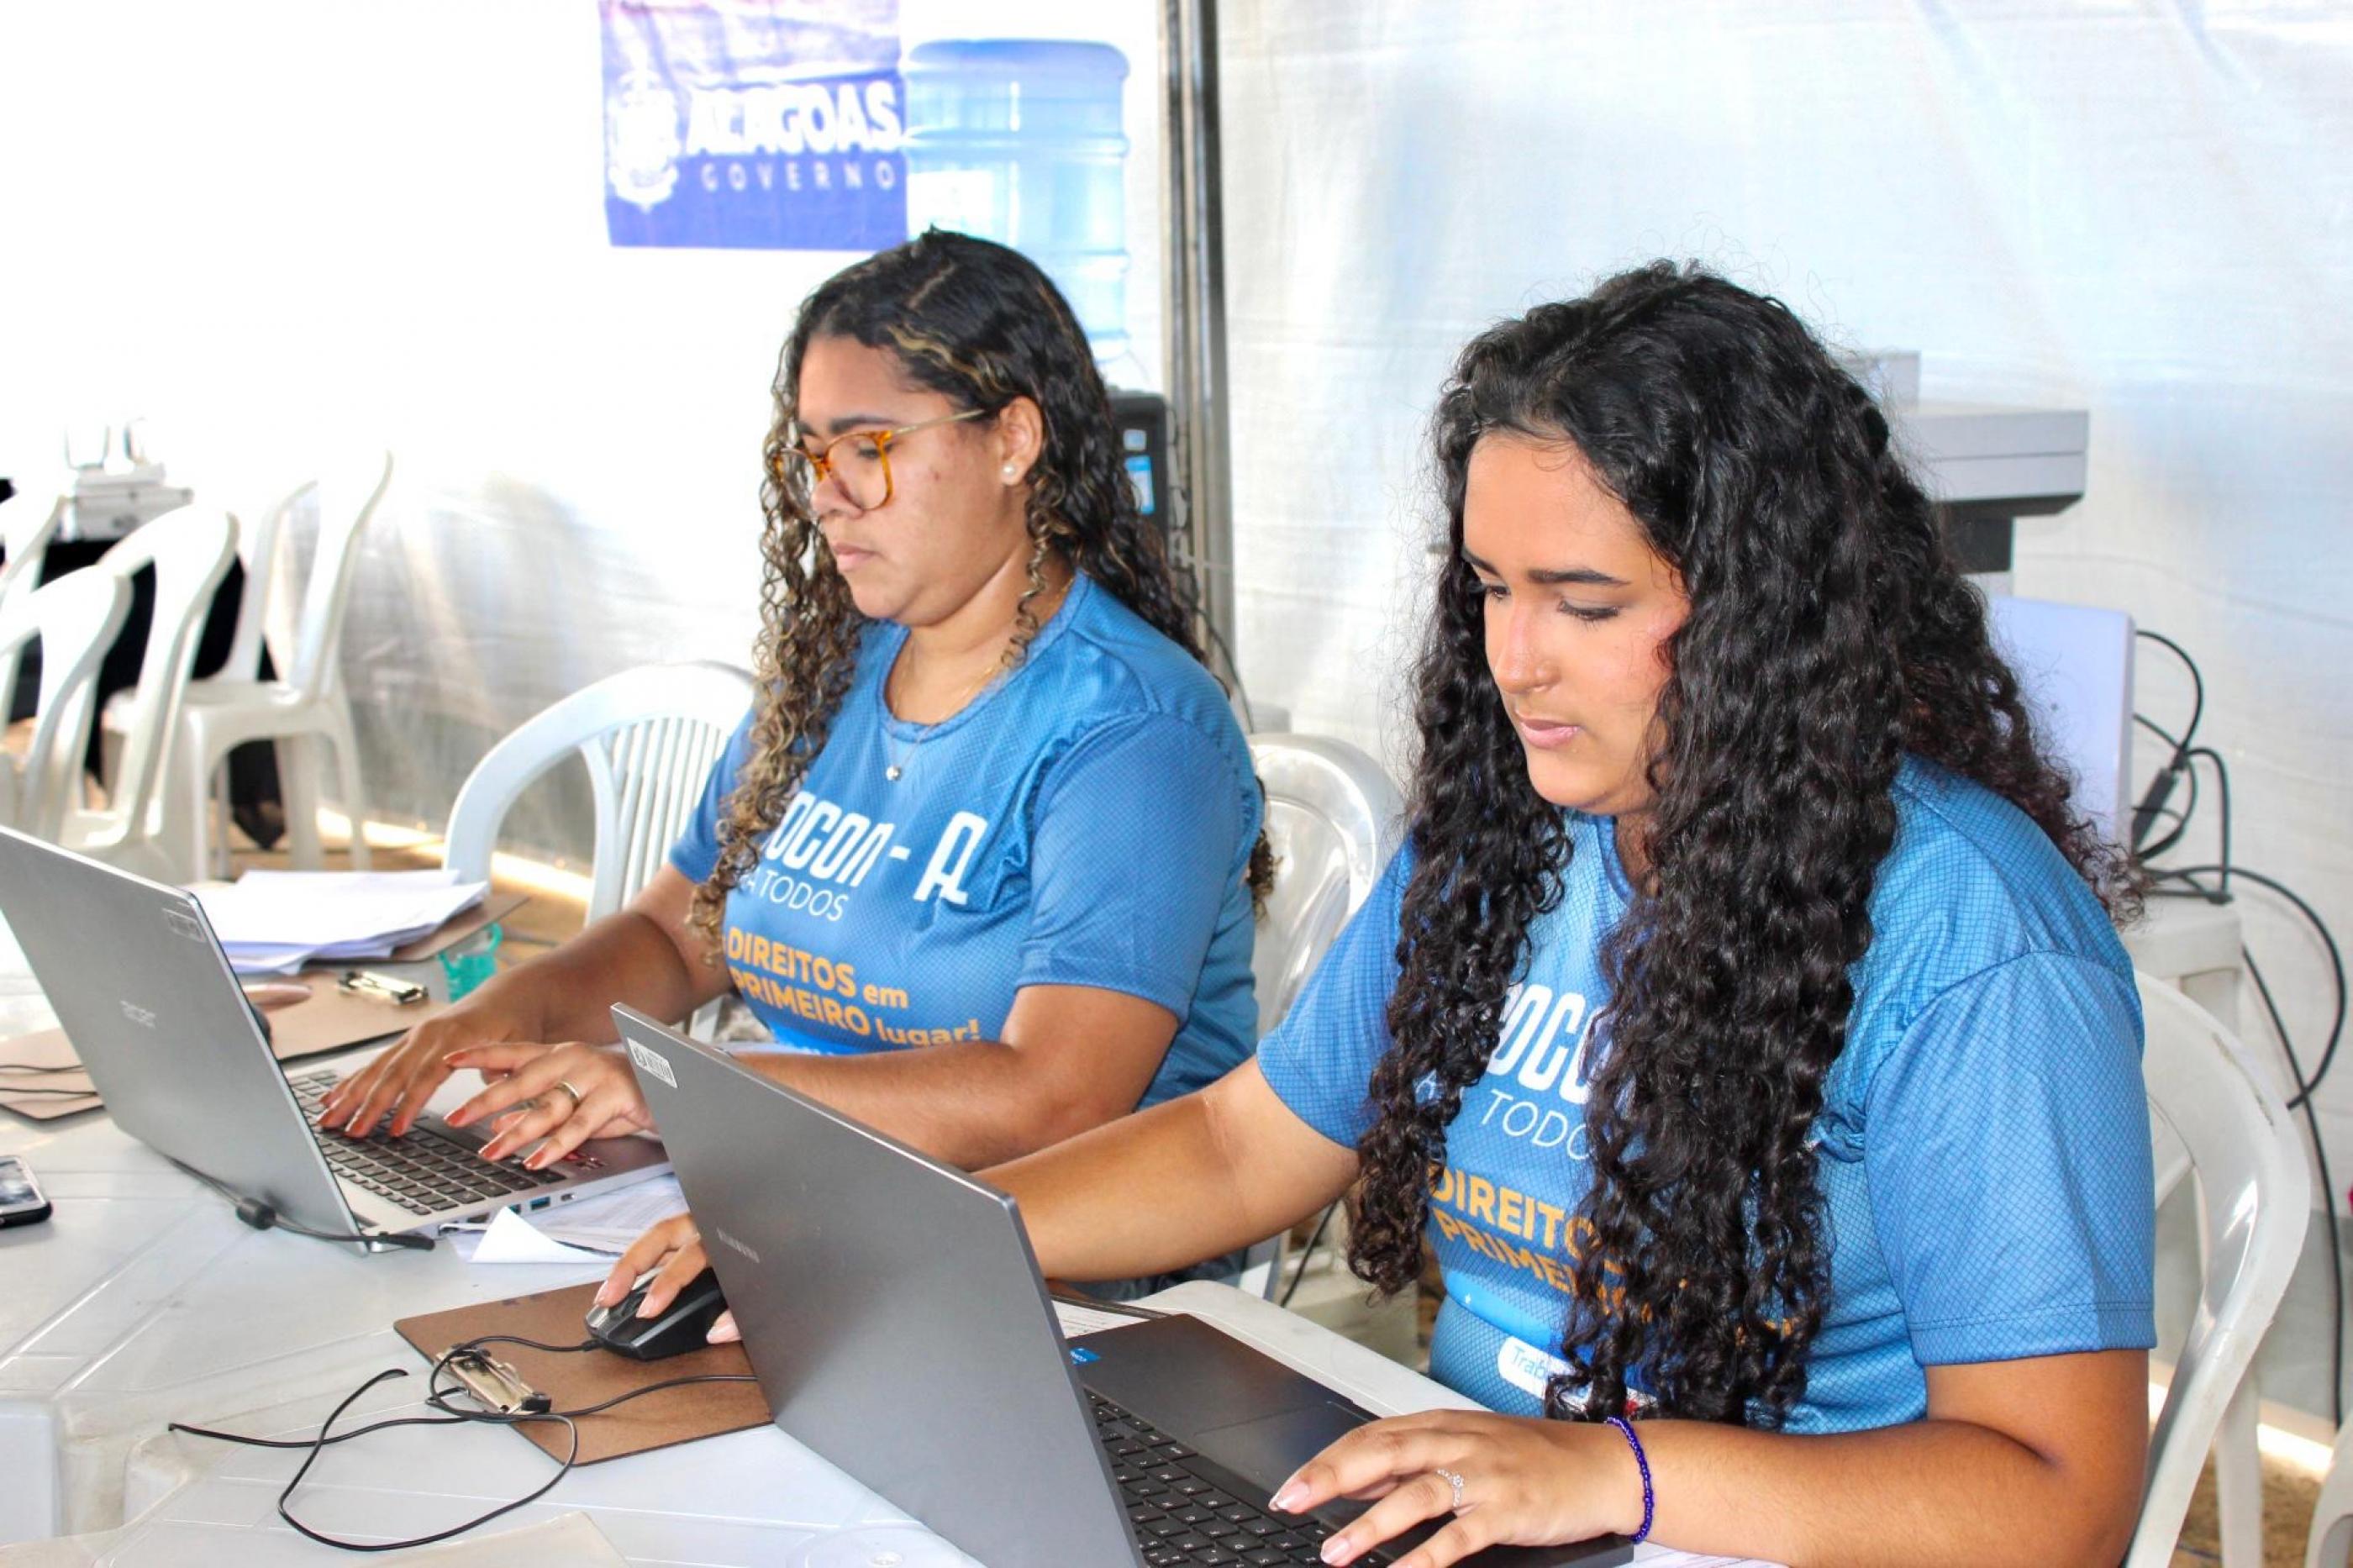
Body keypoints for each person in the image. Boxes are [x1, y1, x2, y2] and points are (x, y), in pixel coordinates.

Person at [617, 261, 2156, 1564]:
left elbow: (2063, 1497)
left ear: (1764, 613)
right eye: (1489, 587)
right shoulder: (1512, 839)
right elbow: (1240, 1141)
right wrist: (908, 1248)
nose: (1517, 658)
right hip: (1494, 1498)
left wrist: (1614, 1468)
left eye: (1586, 602)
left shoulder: (1970, 936)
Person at [320, 231, 1270, 1210]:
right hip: (790, 1183)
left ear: (1014, 442)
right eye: (812, 454)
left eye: (871, 448)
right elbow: (678, 935)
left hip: (1046, 1257)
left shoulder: (1134, 735)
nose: (827, 495)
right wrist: (487, 1022)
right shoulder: (839, 664)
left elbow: (1056, 1099)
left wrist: (679, 1090)